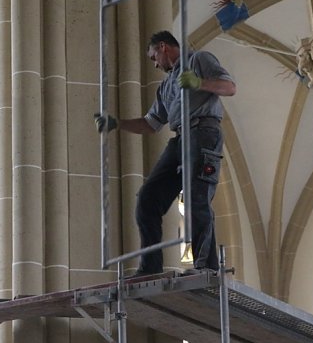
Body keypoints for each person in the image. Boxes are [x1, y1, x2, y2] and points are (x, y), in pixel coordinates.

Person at [95, 30, 236, 276]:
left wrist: (199, 83)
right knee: (147, 198)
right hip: (180, 138)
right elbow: (151, 124)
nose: (155, 64)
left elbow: (229, 87)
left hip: (203, 132)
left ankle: (206, 266)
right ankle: (150, 267)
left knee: (196, 197)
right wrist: (117, 123)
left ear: (163, 47)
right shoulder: (166, 86)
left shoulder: (199, 60)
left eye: (153, 57)